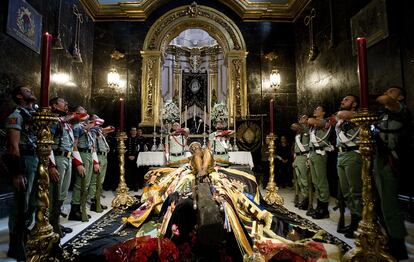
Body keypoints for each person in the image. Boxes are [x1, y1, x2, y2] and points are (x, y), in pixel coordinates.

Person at [373, 86, 410, 260]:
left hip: (392, 160)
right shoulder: (382, 114)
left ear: (401, 97)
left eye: (392, 91)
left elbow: (389, 101)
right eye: (385, 90)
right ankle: (387, 236)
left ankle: (398, 244)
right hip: (379, 158)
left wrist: (383, 97)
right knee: (380, 202)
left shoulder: (401, 110)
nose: (387, 93)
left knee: (390, 203)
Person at [4, 86, 38, 261]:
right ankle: (15, 245)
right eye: (26, 90)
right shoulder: (16, 116)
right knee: (20, 205)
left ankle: (25, 237)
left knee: (32, 203)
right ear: (19, 96)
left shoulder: (33, 115)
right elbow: (13, 146)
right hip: (23, 160)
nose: (31, 91)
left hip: (35, 159)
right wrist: (17, 173)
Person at [334, 94, 362, 238]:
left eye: (347, 100)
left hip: (353, 154)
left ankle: (358, 222)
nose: (342, 101)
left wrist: (339, 116)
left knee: (355, 191)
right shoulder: (341, 120)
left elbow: (341, 114)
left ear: (354, 104)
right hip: (341, 155)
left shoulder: (358, 116)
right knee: (346, 192)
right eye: (342, 99)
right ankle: (353, 221)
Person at [48, 97, 74, 238]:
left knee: (62, 193)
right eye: (63, 102)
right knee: (55, 193)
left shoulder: (64, 123)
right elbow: (48, 143)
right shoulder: (54, 121)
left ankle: (56, 221)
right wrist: (51, 165)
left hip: (67, 158)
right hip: (57, 158)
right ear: (54, 105)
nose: (66, 104)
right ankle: (51, 225)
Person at [68, 106, 99, 222]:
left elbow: (92, 144)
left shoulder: (85, 127)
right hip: (82, 154)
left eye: (85, 110)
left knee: (85, 184)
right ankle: (74, 210)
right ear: (76, 113)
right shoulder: (77, 127)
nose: (85, 112)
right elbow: (74, 144)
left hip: (89, 154)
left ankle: (80, 208)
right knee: (80, 183)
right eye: (82, 110)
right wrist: (78, 163)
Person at [307, 105, 333, 219]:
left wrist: (313, 121)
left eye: (317, 109)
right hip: (312, 153)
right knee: (315, 181)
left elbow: (310, 120)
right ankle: (319, 205)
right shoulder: (314, 127)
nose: (314, 110)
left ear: (323, 113)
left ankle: (324, 208)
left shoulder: (326, 121)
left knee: (322, 182)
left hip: (320, 153)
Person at [88, 115, 114, 212]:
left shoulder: (99, 131)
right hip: (98, 156)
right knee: (95, 180)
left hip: (104, 156)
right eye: (96, 119)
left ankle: (97, 200)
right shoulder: (93, 131)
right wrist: (95, 161)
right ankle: (94, 202)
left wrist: (104, 129)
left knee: (101, 180)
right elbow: (93, 145)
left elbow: (111, 128)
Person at [291, 115, 310, 210]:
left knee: (304, 180)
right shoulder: (298, 132)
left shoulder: (308, 130)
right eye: (300, 118)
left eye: (303, 118)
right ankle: (304, 198)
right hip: (298, 157)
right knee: (299, 180)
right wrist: (294, 159)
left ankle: (307, 199)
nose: (300, 119)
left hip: (304, 156)